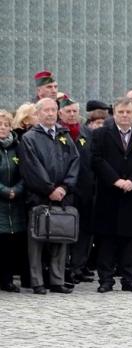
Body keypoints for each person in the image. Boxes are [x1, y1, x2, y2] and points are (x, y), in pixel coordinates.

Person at [91, 97, 132, 293]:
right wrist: (115, 180)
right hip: (109, 194)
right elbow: (96, 160)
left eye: (128, 112)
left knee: (130, 240)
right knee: (107, 240)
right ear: (114, 113)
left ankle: (129, 279)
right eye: (121, 112)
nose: (125, 115)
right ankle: (106, 280)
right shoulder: (101, 134)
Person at [19, 98, 80, 295]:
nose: (51, 113)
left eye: (54, 110)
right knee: (36, 241)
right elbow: (32, 168)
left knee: (60, 238)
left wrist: (65, 187)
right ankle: (37, 281)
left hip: (62, 197)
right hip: (39, 197)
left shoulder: (63, 135)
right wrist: (49, 189)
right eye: (46, 110)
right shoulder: (30, 138)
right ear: (37, 114)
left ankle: (57, 279)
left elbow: (74, 162)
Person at [58, 96, 96, 285]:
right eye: (68, 111)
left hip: (86, 188)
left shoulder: (87, 133)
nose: (72, 115)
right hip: (65, 189)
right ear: (60, 114)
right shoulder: (58, 133)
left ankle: (79, 267)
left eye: (75, 111)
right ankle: (64, 268)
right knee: (64, 230)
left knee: (85, 231)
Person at [0, 110, 27, 292]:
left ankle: (7, 280)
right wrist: (4, 191)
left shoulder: (18, 147)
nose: (3, 128)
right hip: (1, 200)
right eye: (0, 125)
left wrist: (16, 190)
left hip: (15, 203)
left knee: (11, 245)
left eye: (6, 125)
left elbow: (27, 172)